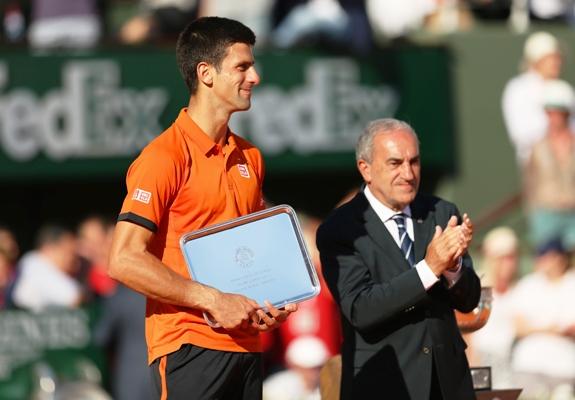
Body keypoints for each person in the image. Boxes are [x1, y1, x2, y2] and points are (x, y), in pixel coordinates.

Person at [108, 16, 297, 400]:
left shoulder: (251, 157)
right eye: (242, 66)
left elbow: (248, 257)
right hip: (187, 347)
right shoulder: (163, 157)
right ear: (206, 73)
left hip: (246, 349)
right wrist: (213, 300)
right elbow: (123, 259)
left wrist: (268, 303)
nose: (255, 76)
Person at [316, 118, 481, 399]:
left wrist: (453, 269)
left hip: (448, 384)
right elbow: (361, 309)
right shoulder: (341, 229)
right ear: (365, 168)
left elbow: (470, 299)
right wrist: (430, 269)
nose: (408, 173)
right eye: (395, 163)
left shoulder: (440, 213)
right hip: (384, 385)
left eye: (414, 162)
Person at [509, 238, 575, 399]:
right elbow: (519, 328)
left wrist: (537, 328)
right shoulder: (528, 284)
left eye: (548, 256)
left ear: (560, 258)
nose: (543, 261)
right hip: (529, 366)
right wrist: (551, 329)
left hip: (564, 368)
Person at [524, 79, 575, 251]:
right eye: (549, 112)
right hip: (545, 215)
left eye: (558, 112)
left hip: (572, 212)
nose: (553, 118)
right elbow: (530, 182)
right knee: (548, 261)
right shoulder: (537, 147)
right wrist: (534, 214)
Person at [501, 31, 565, 167]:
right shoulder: (518, 88)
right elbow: (520, 133)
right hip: (536, 165)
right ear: (537, 60)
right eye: (551, 58)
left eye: (557, 58)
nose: (556, 63)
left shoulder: (564, 89)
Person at [467, 226, 520, 388]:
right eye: (501, 258)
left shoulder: (523, 289)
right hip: (482, 361)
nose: (507, 264)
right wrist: (474, 368)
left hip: (514, 364)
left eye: (511, 258)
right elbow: (467, 335)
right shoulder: (477, 286)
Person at [11, 224, 82, 311]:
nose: (73, 258)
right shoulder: (34, 262)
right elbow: (74, 297)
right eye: (68, 251)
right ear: (48, 249)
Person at [263, 335, 329, 400]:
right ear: (294, 366)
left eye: (318, 368)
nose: (314, 373)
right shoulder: (274, 388)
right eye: (307, 368)